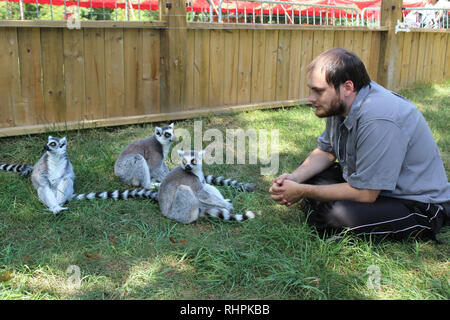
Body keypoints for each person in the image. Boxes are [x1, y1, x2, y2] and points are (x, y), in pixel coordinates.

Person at [269, 47, 450, 240]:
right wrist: (294, 179)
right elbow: (326, 151)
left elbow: (367, 193)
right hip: (372, 185)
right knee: (312, 180)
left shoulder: (378, 118)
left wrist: (303, 191)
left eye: (318, 91)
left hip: (415, 202)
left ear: (347, 87)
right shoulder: (339, 104)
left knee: (334, 216)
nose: (311, 98)